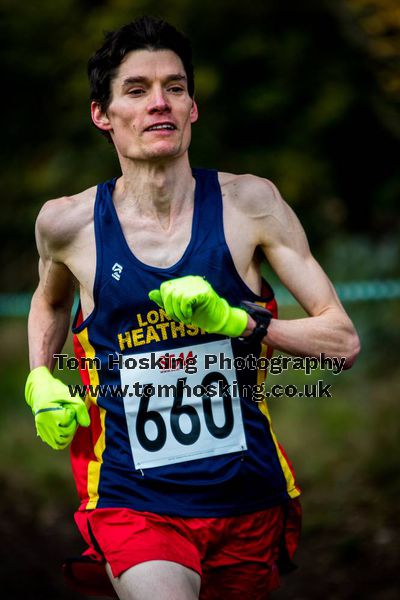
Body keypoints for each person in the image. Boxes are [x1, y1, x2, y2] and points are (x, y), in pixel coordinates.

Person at [25, 15, 360, 600]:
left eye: (174, 88)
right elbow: (48, 301)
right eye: (137, 90)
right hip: (134, 496)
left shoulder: (251, 204)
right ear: (102, 115)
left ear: (192, 108)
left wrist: (240, 321)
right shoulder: (67, 224)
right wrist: (40, 376)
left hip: (247, 495)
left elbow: (343, 341)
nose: (160, 103)